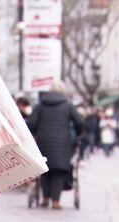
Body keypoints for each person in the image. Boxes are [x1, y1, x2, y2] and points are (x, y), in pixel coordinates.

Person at [27, 80, 84, 210]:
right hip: (62, 142)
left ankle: (45, 198)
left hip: (43, 141)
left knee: (45, 168)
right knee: (59, 170)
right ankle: (55, 200)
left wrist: (35, 135)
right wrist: (78, 134)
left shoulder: (41, 105)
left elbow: (31, 124)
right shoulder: (68, 106)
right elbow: (80, 122)